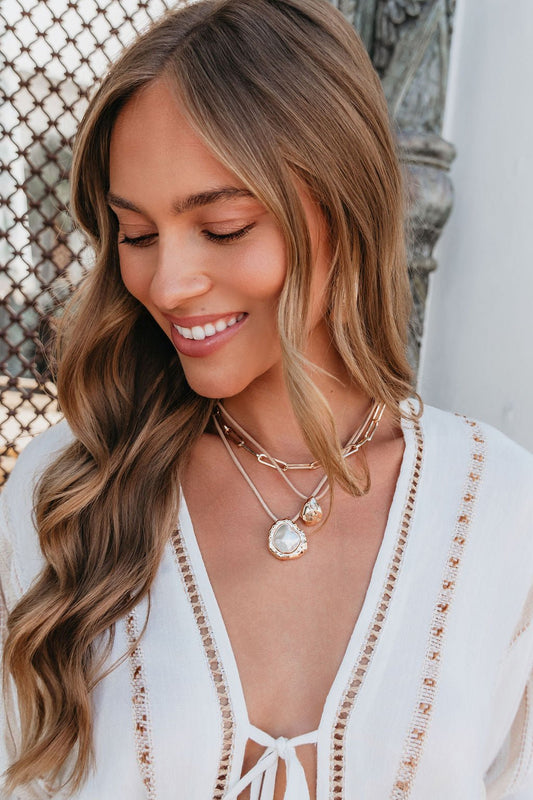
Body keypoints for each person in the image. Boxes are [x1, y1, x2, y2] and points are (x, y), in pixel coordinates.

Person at [1, 0, 533, 798]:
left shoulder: (498, 510)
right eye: (136, 236)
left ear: (343, 209)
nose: (168, 283)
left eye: (222, 227)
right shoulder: (65, 496)